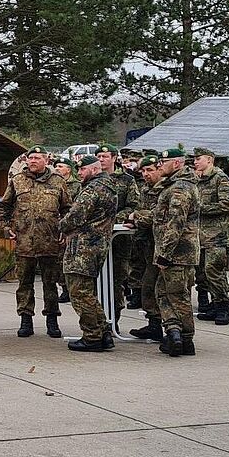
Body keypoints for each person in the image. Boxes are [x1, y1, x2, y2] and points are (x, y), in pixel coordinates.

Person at [0, 146, 70, 338]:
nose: (33, 161)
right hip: (24, 242)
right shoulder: (17, 181)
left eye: (37, 158)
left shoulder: (58, 181)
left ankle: (52, 320)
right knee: (24, 283)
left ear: (46, 160)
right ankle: (25, 319)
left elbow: (67, 209)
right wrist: (7, 229)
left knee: (50, 283)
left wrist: (64, 230)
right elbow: (4, 207)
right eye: (30, 158)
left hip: (50, 242)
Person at [58, 155, 117, 352]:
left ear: (93, 169)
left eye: (82, 170)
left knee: (79, 293)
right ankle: (104, 332)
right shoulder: (109, 186)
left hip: (83, 247)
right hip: (98, 245)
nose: (80, 174)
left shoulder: (92, 189)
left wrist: (61, 226)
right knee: (87, 292)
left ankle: (92, 336)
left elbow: (75, 216)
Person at [152, 148, 201, 356]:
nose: (160, 165)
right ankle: (174, 331)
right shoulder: (174, 185)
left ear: (178, 164)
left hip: (177, 252)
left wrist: (165, 253)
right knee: (163, 291)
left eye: (165, 162)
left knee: (177, 294)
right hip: (177, 251)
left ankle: (185, 338)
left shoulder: (180, 188)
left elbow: (175, 223)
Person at [95, 144, 139, 317]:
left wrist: (115, 220)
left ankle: (115, 319)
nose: (101, 159)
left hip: (118, 238)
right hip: (97, 238)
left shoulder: (127, 180)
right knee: (96, 281)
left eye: (105, 156)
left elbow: (133, 205)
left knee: (117, 280)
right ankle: (99, 320)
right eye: (98, 156)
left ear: (114, 158)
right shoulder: (93, 179)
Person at [191, 147, 229, 325]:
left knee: (214, 271)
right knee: (202, 274)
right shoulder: (196, 179)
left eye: (198, 159)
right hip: (199, 235)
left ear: (209, 160)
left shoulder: (220, 178)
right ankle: (213, 305)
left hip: (217, 235)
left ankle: (223, 307)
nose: (195, 162)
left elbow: (226, 205)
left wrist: (198, 209)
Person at [126, 156, 164, 340]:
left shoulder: (167, 190)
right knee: (148, 287)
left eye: (150, 170)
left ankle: (176, 331)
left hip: (165, 248)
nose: (146, 174)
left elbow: (159, 216)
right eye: (143, 171)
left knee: (166, 290)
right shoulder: (145, 190)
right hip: (147, 247)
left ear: (160, 169)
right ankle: (154, 324)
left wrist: (137, 216)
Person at [52, 155, 79, 304]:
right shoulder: (53, 184)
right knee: (57, 261)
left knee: (67, 259)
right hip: (55, 226)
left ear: (68, 170)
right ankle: (63, 288)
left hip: (69, 227)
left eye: (61, 167)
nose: (57, 169)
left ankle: (69, 288)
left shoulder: (76, 185)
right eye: (56, 167)